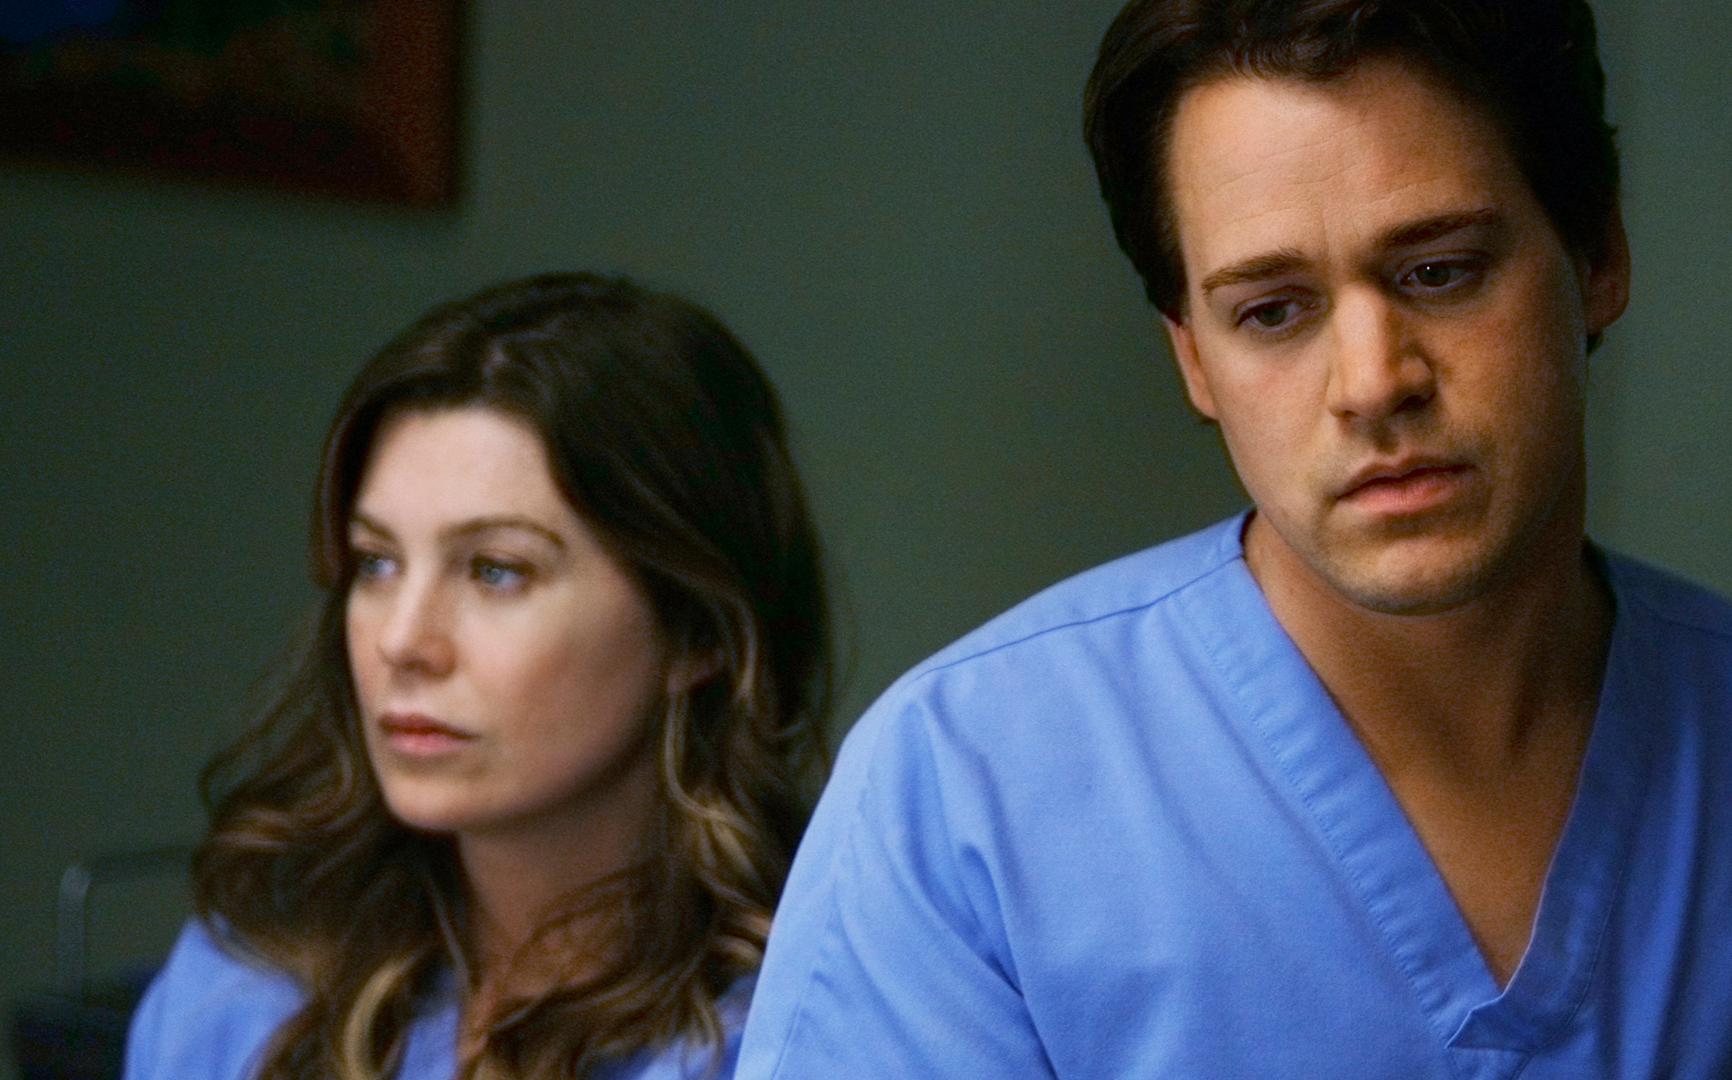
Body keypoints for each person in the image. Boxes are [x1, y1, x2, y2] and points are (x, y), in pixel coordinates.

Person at [736, 1, 1732, 1077]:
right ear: (1194, 360)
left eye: (1440, 271)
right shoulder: (961, 795)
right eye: (1272, 311)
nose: (1372, 383)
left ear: (1598, 258)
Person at [126, 272, 832, 1080]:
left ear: (697, 628)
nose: (402, 640)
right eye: (376, 562)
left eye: (496, 570)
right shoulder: (249, 984)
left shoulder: (799, 1035)